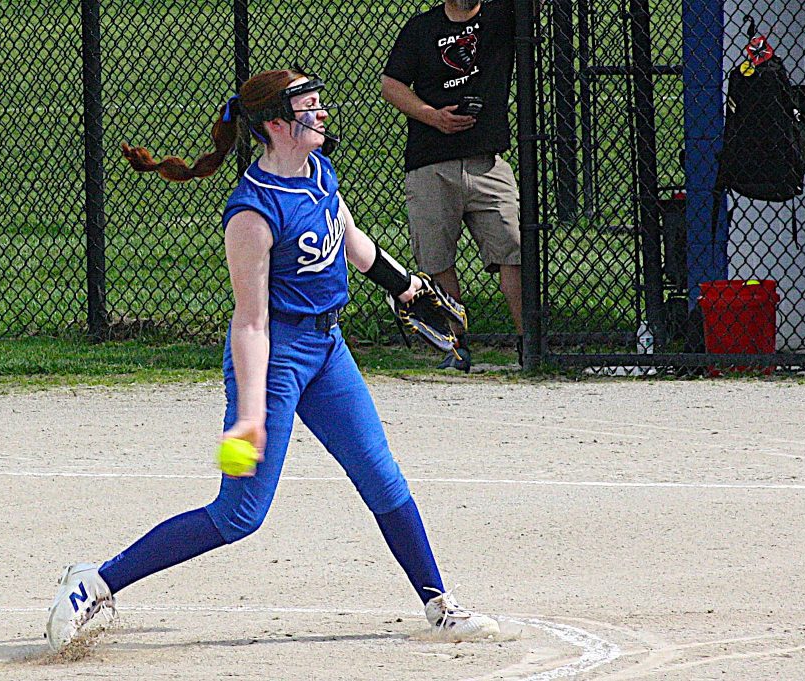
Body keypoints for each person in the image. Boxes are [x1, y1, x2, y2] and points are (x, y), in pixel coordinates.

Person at [44, 68, 519, 651]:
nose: (321, 115)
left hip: (328, 352)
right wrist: (248, 414)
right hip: (274, 362)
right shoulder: (252, 211)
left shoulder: (317, 170)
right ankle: (94, 583)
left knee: (381, 476)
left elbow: (345, 233)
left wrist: (403, 284)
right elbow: (249, 321)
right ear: (275, 124)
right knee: (239, 514)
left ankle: (438, 602)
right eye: (308, 108)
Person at [382, 0, 523, 371]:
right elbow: (391, 84)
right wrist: (432, 116)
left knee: (514, 247)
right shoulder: (422, 28)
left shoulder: (501, 15)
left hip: (486, 160)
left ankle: (531, 343)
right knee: (436, 258)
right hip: (431, 160)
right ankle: (455, 347)